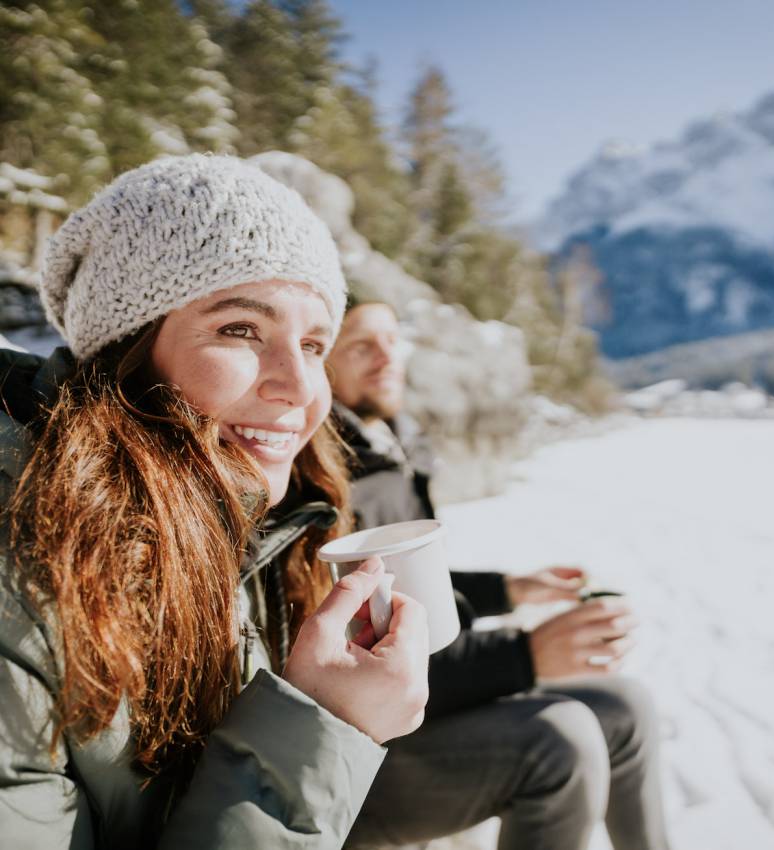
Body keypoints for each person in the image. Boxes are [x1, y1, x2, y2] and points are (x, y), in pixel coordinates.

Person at [0, 156, 430, 850]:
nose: (299, 385)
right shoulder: (20, 587)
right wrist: (322, 725)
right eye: (240, 330)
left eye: (315, 343)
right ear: (127, 354)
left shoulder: (266, 527)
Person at [327, 301, 672, 850]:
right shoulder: (328, 477)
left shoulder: (392, 448)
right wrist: (525, 655)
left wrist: (506, 590)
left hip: (422, 712)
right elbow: (369, 654)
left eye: (394, 339)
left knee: (626, 706)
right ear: (320, 362)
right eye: (361, 344)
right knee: (559, 740)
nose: (387, 356)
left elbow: (410, 594)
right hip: (360, 754)